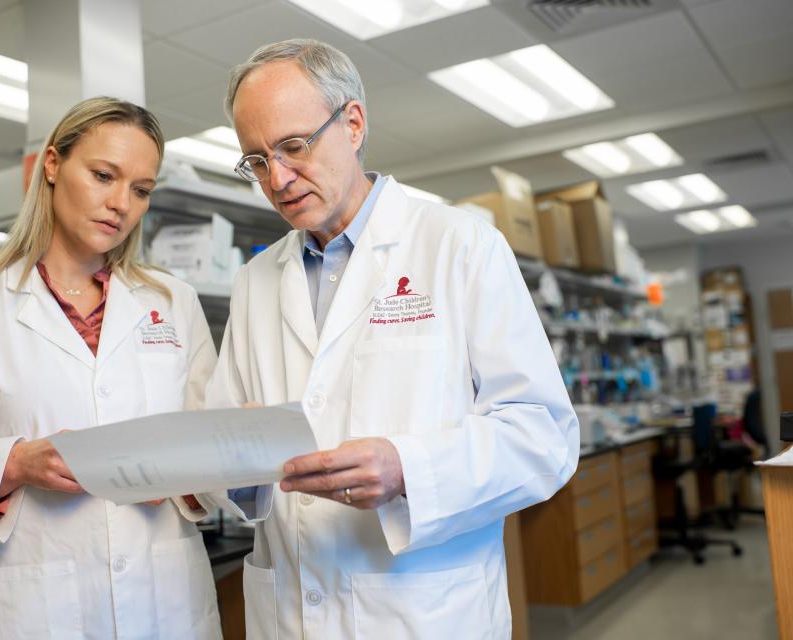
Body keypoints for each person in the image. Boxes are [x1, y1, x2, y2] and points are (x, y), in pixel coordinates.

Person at [203, 39, 580, 638]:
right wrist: (236, 465)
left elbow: (544, 436)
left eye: (294, 146)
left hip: (422, 610)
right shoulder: (254, 281)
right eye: (256, 160)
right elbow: (223, 446)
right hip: (291, 609)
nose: (277, 178)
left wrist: (409, 467)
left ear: (352, 123)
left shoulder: (458, 244)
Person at [0, 97, 221, 639]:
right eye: (103, 175)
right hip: (32, 611)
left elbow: (214, 446)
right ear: (53, 165)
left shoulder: (174, 302)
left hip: (165, 603)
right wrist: (13, 464)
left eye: (140, 190)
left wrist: (185, 471)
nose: (120, 204)